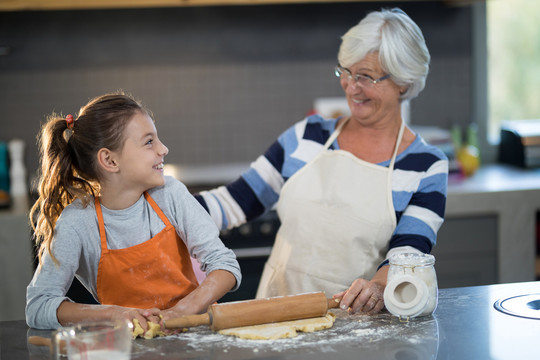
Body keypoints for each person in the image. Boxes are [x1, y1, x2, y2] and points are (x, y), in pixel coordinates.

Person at [194, 8, 448, 315]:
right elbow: (235, 201)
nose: (351, 87)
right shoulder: (307, 136)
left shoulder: (426, 165)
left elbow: (408, 253)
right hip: (275, 314)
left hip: (356, 326)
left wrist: (379, 286)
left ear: (404, 82)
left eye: (365, 77)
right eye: (346, 72)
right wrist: (164, 210)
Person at [26, 93, 241, 331]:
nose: (163, 149)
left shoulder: (170, 195)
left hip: (195, 335)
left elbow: (225, 265)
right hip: (129, 347)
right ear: (110, 160)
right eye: (149, 142)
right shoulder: (77, 223)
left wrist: (182, 311)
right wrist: (114, 314)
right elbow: (38, 305)